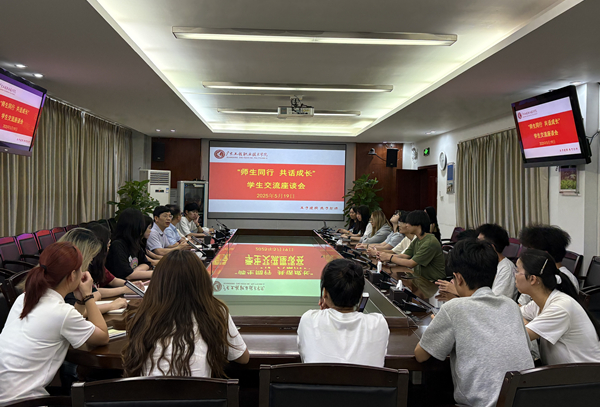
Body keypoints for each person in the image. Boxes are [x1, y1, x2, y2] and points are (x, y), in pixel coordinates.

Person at [414, 239, 534, 407]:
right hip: (525, 400)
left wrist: (440, 326)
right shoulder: (511, 305)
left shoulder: (454, 308)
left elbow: (420, 355)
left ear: (458, 278)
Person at [0, 242, 109, 403]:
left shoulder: (24, 298)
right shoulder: (61, 312)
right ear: (72, 276)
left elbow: (69, 322)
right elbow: (103, 337)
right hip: (23, 401)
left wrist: (80, 301)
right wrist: (88, 296)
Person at [122, 250, 249, 377]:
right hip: (199, 389)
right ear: (202, 282)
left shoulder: (143, 315)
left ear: (157, 283)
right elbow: (242, 358)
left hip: (145, 389)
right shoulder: (214, 311)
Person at [297, 259, 389, 367]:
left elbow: (305, 356)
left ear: (325, 293)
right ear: (360, 295)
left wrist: (325, 313)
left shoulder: (309, 319)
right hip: (365, 379)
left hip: (320, 379)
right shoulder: (379, 323)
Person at [518, 249, 600, 365]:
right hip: (564, 371)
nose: (514, 275)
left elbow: (520, 337)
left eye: (517, 271)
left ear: (532, 279)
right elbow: (515, 313)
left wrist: (522, 322)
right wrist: (522, 320)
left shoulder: (560, 307)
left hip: (584, 373)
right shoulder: (540, 302)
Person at [437, 224, 518, 301]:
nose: (476, 244)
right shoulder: (485, 262)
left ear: (490, 247)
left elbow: (493, 303)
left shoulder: (507, 269)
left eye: (479, 241)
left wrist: (457, 291)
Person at [59, 228, 125, 315]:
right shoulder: (65, 277)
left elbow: (96, 293)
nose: (91, 260)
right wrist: (111, 306)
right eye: (90, 255)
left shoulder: (77, 272)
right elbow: (76, 313)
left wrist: (86, 299)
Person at [377, 210, 445, 281]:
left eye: (408, 223)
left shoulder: (430, 242)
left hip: (432, 282)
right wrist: (384, 255)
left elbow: (411, 263)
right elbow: (404, 256)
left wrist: (389, 257)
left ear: (418, 225)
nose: (406, 225)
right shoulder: (417, 239)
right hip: (419, 279)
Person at [518, 225, 579, 303]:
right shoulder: (536, 273)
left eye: (530, 251)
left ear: (544, 254)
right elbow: (522, 304)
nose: (527, 255)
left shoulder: (563, 280)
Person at [86, 224, 145, 298]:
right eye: (108, 245)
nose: (108, 249)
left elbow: (113, 280)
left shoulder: (98, 264)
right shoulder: (85, 266)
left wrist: (130, 285)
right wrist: (123, 289)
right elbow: (92, 291)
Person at [106, 208, 153, 280]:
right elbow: (127, 275)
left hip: (134, 282)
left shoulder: (134, 243)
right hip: (121, 285)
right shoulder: (117, 245)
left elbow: (146, 263)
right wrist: (156, 273)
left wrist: (135, 272)